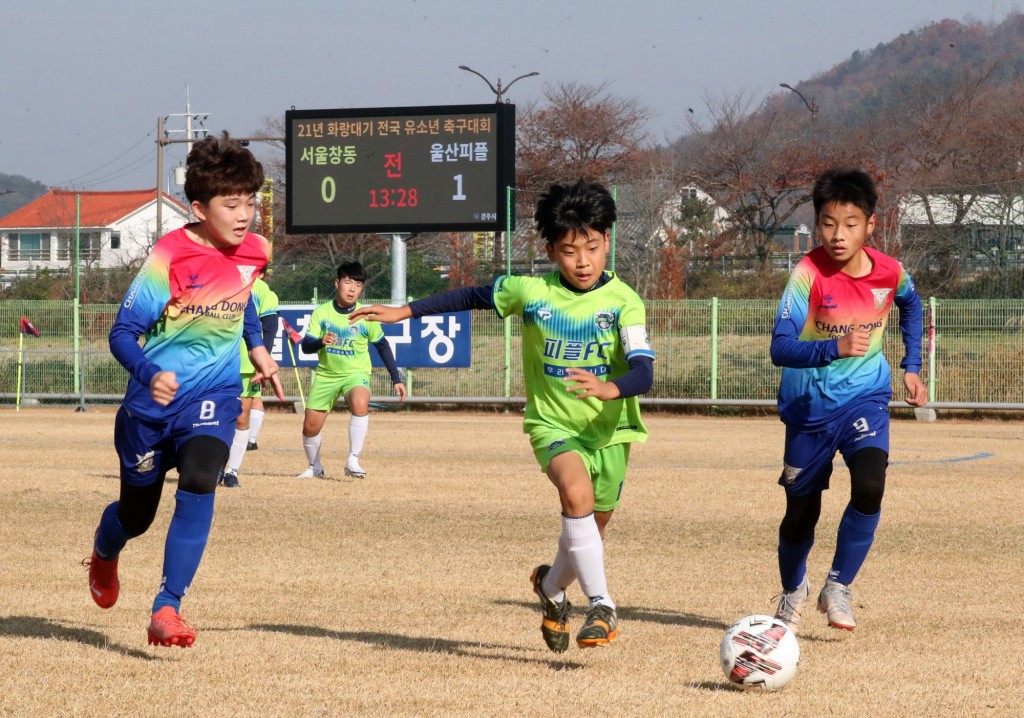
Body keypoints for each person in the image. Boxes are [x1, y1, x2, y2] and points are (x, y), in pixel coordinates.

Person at [350, 180, 655, 652]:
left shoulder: (624, 302)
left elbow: (644, 370)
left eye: (593, 248)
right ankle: (602, 605)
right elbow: (468, 297)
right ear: (551, 249)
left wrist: (609, 388)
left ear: (607, 242)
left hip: (612, 430)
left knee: (588, 529)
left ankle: (551, 589)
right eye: (571, 250)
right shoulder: (528, 291)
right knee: (575, 493)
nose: (583, 261)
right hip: (552, 425)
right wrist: (404, 311)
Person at [84, 132, 285, 648]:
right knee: (137, 516)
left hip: (212, 398)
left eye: (252, 202)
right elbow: (122, 334)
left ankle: (168, 607)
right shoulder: (169, 255)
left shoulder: (257, 250)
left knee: (200, 478)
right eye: (232, 204)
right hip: (149, 410)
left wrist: (257, 347)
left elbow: (243, 301)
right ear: (199, 207)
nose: (246, 215)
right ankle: (105, 555)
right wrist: (151, 374)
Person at [769, 167, 928, 633]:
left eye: (850, 223)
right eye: (828, 223)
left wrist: (911, 366)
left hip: (866, 399)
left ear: (870, 225)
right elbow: (780, 348)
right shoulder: (807, 274)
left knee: (871, 485)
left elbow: (913, 305)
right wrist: (832, 347)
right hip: (809, 409)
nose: (838, 235)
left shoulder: (890, 271)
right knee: (802, 512)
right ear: (817, 223)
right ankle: (793, 590)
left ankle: (838, 586)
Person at [296, 260, 407, 479]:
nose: (353, 288)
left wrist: (397, 378)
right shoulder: (322, 313)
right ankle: (314, 467)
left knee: (360, 402)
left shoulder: (366, 315)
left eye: (358, 284)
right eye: (348, 282)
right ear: (337, 283)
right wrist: (321, 341)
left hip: (356, 374)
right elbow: (306, 346)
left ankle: (353, 459)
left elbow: (382, 346)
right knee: (310, 428)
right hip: (327, 375)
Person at [220, 268, 280, 488]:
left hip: (246, 361)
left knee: (241, 417)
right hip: (217, 358)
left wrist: (263, 360)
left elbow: (270, 328)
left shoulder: (263, 291)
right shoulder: (218, 279)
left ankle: (231, 471)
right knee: (216, 415)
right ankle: (215, 464)